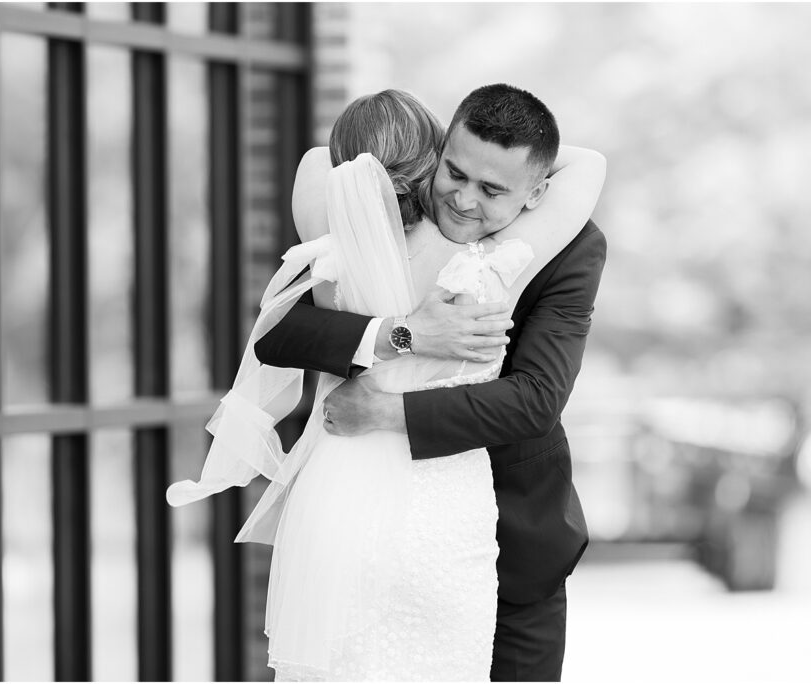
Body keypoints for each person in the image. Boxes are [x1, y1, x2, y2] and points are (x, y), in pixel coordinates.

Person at [168, 87, 605, 681]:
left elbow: (536, 400)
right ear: (436, 150)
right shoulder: (376, 226)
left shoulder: (568, 243)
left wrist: (382, 409)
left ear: (538, 192)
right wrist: (403, 333)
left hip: (517, 528)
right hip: (367, 516)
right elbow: (281, 335)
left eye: (493, 189)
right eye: (454, 171)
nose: (464, 199)